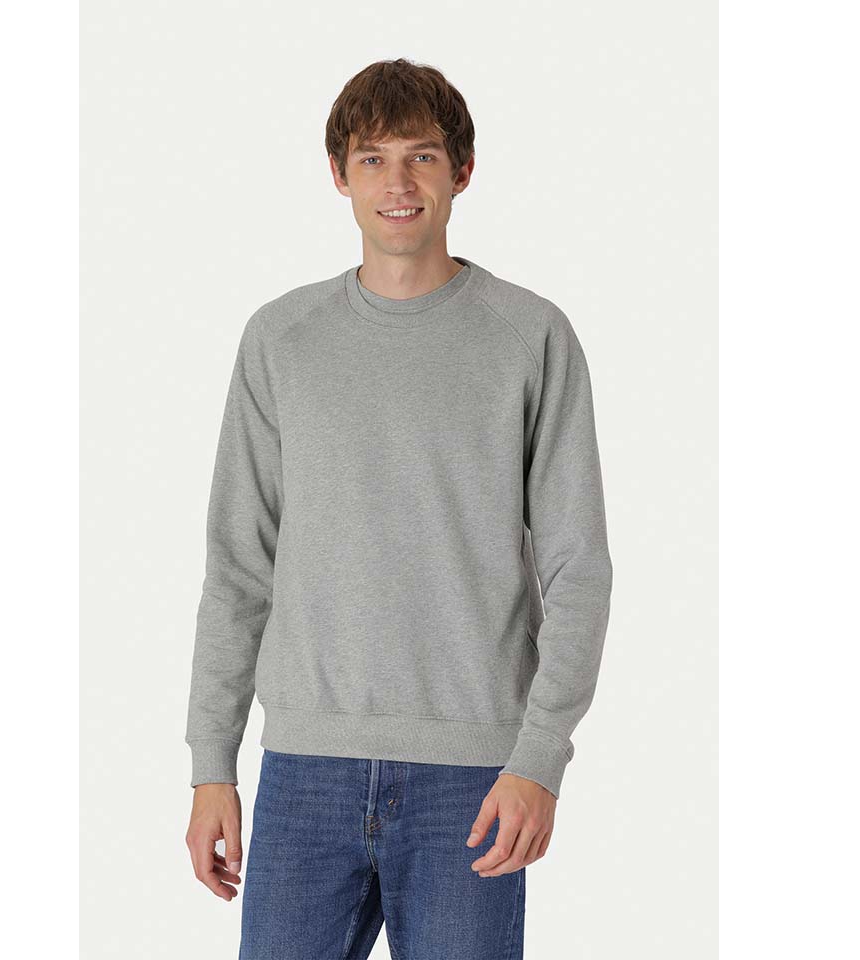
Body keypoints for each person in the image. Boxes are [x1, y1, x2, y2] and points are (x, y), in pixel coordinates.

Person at [183, 57, 614, 959]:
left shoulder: (530, 336)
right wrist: (211, 764)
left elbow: (579, 568)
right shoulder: (281, 339)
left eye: (422, 156)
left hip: (475, 778)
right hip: (305, 772)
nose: (399, 184)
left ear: (463, 171)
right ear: (338, 175)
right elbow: (238, 566)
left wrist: (539, 758)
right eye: (373, 159)